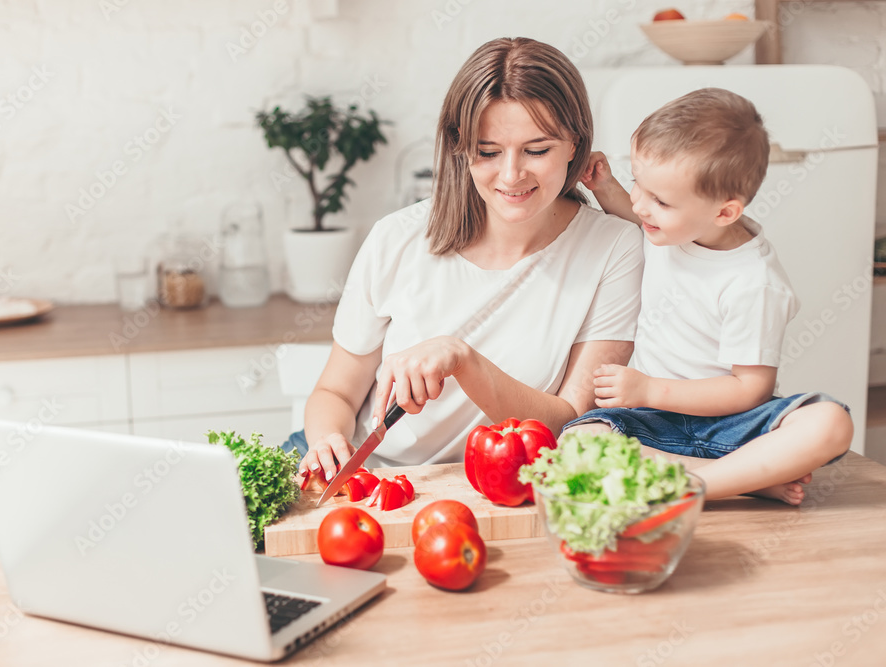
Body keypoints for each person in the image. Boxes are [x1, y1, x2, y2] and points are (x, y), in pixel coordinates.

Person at [289, 37, 644, 481]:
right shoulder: (397, 237)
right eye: (489, 152)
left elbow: (569, 420)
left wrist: (463, 359)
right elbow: (335, 393)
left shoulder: (614, 247)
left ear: (575, 143)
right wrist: (327, 441)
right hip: (370, 475)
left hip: (495, 486)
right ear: (460, 146)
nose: (512, 175)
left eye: (537, 150)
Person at [564, 87, 853, 505]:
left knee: (831, 422)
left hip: (732, 424)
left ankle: (696, 485)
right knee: (578, 442)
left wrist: (648, 390)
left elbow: (750, 389)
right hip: (655, 424)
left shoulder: (754, 282)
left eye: (660, 200)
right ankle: (742, 478)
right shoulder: (673, 227)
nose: (641, 206)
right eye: (637, 184)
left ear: (724, 213)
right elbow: (636, 214)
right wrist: (606, 187)